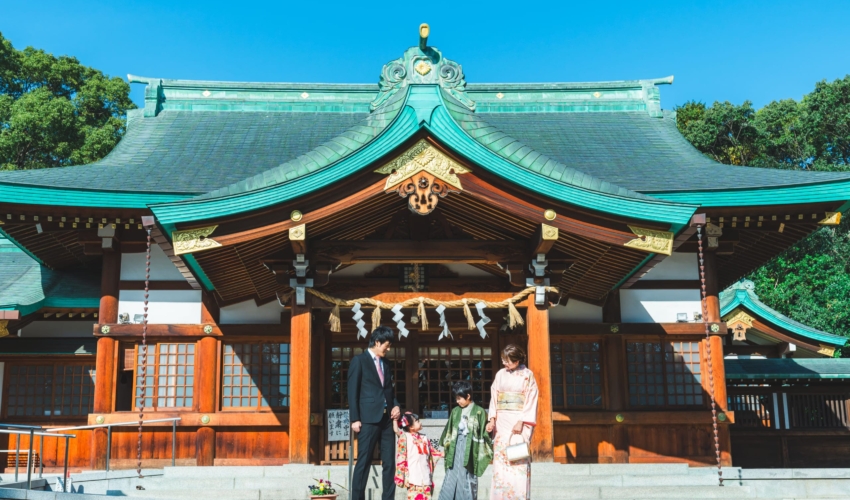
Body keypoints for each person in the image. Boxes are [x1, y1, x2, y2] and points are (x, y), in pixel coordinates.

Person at [348, 326, 401, 500]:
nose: (389, 349)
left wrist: (396, 406)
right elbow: (352, 391)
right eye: (387, 345)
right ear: (377, 342)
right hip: (367, 419)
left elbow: (389, 391)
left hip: (386, 420)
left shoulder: (386, 364)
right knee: (364, 462)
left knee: (389, 463)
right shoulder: (359, 361)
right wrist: (354, 419)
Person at [485, 344, 538, 500]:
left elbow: (531, 399)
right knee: (501, 460)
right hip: (502, 420)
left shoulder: (527, 375)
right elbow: (494, 395)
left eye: (508, 361)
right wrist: (492, 419)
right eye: (503, 360)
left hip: (519, 420)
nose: (504, 364)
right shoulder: (501, 374)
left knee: (517, 458)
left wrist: (522, 421)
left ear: (517, 360)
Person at [438, 380, 493, 500]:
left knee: (467, 476)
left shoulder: (479, 411)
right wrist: (446, 448)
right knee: (452, 473)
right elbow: (449, 432)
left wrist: (488, 430)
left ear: (468, 396)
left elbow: (484, 433)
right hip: (455, 446)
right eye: (456, 398)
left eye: (459, 398)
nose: (457, 401)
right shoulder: (455, 411)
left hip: (471, 447)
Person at [394, 412, 443, 500]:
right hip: (413, 476)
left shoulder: (424, 437)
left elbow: (432, 452)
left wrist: (443, 454)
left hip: (425, 475)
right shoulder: (405, 437)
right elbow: (396, 430)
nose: (420, 422)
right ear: (411, 426)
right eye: (417, 421)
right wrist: (394, 420)